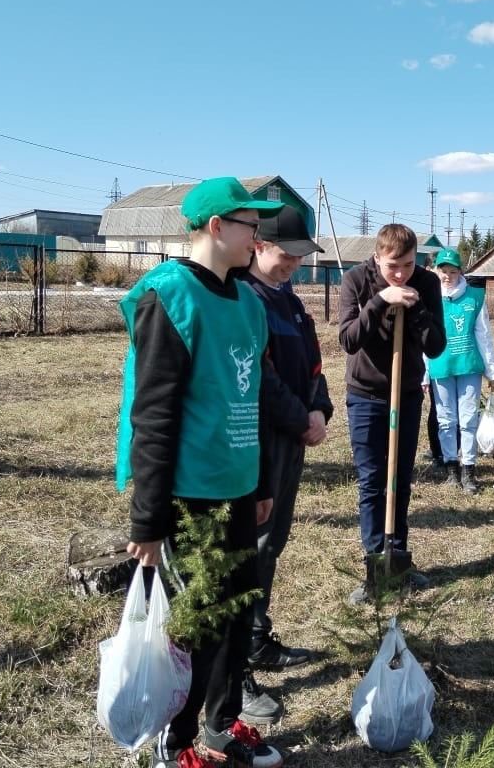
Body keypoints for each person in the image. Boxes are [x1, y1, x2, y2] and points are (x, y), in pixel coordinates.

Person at [116, 177, 284, 768]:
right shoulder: (170, 298)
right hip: (191, 497)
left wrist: (261, 483)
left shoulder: (244, 300)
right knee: (199, 622)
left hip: (238, 487)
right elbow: (153, 416)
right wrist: (149, 518)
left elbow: (254, 401)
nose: (256, 238)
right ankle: (177, 740)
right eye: (250, 226)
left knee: (238, 616)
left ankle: (219, 726)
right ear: (217, 227)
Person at [237, 205, 333, 724]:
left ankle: (255, 636)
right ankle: (237, 660)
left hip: (293, 437)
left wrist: (319, 408)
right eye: (287, 252)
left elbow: (314, 364)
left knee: (272, 541)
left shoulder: (292, 302)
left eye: (302, 254)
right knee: (249, 543)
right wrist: (302, 419)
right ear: (258, 247)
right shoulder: (246, 299)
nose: (296, 262)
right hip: (259, 439)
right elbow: (262, 378)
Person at [338, 224, 446, 604]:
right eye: (392, 266)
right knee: (372, 480)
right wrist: (382, 299)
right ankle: (374, 559)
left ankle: (398, 557)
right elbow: (348, 339)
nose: (401, 274)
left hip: (407, 393)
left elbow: (436, 347)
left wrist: (418, 315)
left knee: (399, 479)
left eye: (408, 264)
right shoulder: (355, 280)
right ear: (376, 258)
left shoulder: (427, 284)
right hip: (366, 395)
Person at [424, 248, 494, 495]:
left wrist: (493, 371)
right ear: (436, 271)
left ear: (460, 272)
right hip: (441, 366)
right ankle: (451, 469)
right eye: (443, 271)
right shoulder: (430, 299)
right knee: (446, 421)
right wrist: (424, 374)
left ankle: (469, 470)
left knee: (468, 420)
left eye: (452, 271)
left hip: (468, 366)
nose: (447, 276)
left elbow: (484, 335)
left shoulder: (474, 297)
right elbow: (423, 340)